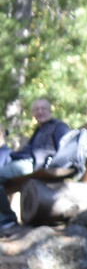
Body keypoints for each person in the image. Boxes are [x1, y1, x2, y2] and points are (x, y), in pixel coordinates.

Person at [0, 98, 72, 232]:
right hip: (25, 163)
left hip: (34, 164)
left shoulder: (58, 126)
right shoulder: (39, 130)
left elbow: (68, 148)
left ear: (50, 111)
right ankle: (5, 220)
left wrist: (53, 164)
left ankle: (7, 221)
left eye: (43, 108)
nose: (40, 112)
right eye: (36, 109)